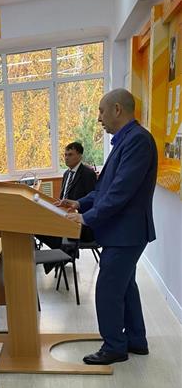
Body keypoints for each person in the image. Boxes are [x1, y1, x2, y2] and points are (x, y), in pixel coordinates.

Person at [59, 88, 157, 365]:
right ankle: (136, 340)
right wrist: (79, 203)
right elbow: (105, 189)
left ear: (117, 109)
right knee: (125, 287)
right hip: (123, 231)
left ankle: (114, 346)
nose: (99, 118)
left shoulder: (138, 141)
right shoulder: (126, 140)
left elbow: (120, 192)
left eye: (102, 111)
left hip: (127, 232)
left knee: (108, 290)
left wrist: (87, 217)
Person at [37, 142, 97, 258]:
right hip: (65, 217)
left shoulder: (88, 174)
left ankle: (65, 253)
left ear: (80, 156)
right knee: (38, 226)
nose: (66, 158)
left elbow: (93, 201)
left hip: (81, 222)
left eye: (70, 155)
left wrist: (76, 209)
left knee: (46, 229)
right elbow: (63, 198)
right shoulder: (66, 174)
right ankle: (64, 253)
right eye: (65, 155)